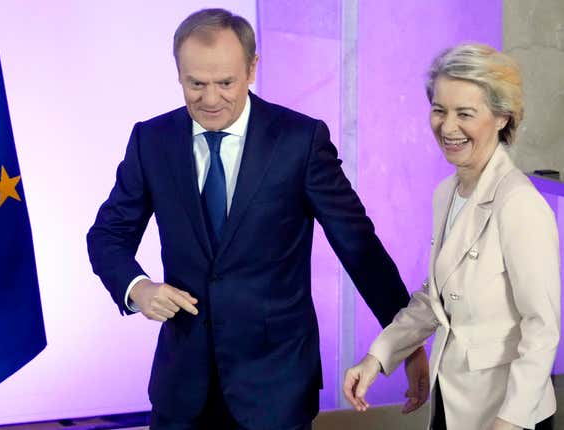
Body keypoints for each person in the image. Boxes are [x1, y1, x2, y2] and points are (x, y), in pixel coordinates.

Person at [87, 8, 427, 430]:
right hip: (182, 388)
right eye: (196, 84)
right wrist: (138, 288)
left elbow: (359, 247)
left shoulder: (301, 141)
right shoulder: (150, 140)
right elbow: (107, 236)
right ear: (178, 74)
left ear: (251, 69)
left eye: (225, 83)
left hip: (276, 387)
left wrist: (406, 344)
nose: (211, 100)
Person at [343, 43, 561, 430]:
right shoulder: (447, 193)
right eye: (439, 110)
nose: (447, 127)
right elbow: (436, 298)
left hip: (507, 416)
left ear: (500, 118)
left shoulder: (519, 205)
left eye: (465, 113)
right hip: (452, 405)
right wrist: (376, 358)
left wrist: (510, 421)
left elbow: (542, 328)